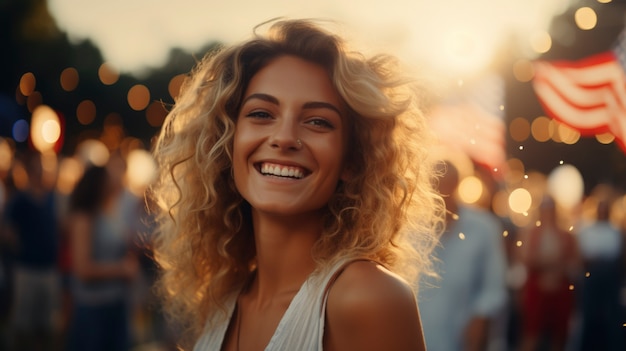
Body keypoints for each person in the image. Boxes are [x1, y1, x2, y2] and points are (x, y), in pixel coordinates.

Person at [147, 18, 444, 351]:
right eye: (261, 114)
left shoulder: (368, 297)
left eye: (318, 121)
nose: (285, 138)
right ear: (227, 141)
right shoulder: (223, 301)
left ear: (352, 160)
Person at [418, 161, 508, 351]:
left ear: (457, 184)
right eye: (436, 183)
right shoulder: (411, 229)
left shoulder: (484, 227)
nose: (441, 190)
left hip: (462, 338)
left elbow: (494, 286)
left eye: (447, 183)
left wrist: (480, 318)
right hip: (420, 336)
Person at [65, 159, 139, 351]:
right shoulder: (84, 216)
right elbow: (82, 269)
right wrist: (121, 270)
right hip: (93, 307)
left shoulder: (110, 211)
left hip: (116, 302)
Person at [1, 150, 61, 351]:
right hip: (26, 268)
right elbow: (7, 231)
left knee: (46, 322)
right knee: (23, 322)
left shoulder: (52, 197)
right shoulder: (20, 200)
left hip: (48, 267)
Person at [518, 195, 578, 351]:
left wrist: (548, 262)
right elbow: (526, 259)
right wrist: (552, 262)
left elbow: (574, 262)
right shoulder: (532, 234)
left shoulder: (565, 235)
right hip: (538, 291)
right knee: (532, 335)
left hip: (560, 292)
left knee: (559, 337)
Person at [575, 190, 624, 351]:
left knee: (611, 315)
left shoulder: (615, 231)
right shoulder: (587, 230)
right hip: (592, 278)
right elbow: (582, 256)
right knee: (590, 314)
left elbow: (619, 256)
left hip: (609, 278)